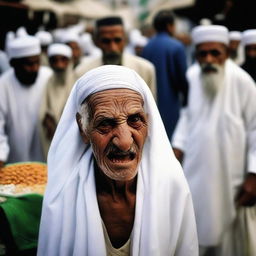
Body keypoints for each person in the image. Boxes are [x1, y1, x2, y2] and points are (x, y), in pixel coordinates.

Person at [37, 65, 198, 256]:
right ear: (83, 128)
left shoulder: (172, 184)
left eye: (134, 120)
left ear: (148, 122)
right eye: (105, 123)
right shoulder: (63, 193)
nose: (124, 142)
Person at [172, 25, 256, 256]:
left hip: (231, 175)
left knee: (229, 237)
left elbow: (255, 128)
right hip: (197, 170)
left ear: (226, 53)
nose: (208, 59)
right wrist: (176, 147)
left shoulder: (243, 81)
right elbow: (187, 116)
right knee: (195, 225)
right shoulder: (192, 76)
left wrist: (254, 173)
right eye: (202, 53)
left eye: (214, 53)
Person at [0, 35, 52, 168]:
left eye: (37, 62)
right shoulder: (3, 85)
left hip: (47, 157)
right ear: (13, 64)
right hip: (14, 159)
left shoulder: (48, 77)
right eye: (29, 64)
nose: (34, 68)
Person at [75, 16, 157, 100]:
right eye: (106, 41)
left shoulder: (145, 70)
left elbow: (150, 109)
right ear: (96, 42)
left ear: (125, 40)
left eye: (117, 40)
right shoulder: (83, 72)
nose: (113, 48)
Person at [142, 10, 189, 140]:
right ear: (169, 25)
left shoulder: (147, 46)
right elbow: (182, 80)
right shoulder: (176, 46)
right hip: (171, 104)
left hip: (150, 103)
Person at [39, 43, 77, 160]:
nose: (59, 65)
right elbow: (43, 111)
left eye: (63, 60)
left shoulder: (78, 81)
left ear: (70, 61)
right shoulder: (49, 82)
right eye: (54, 60)